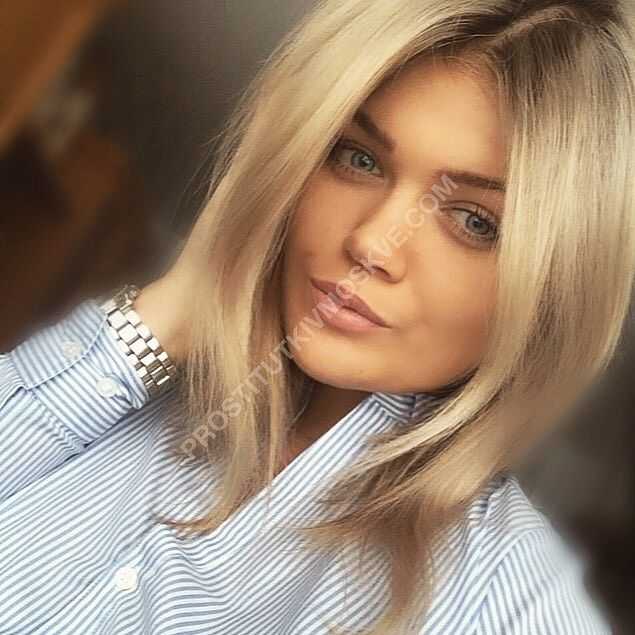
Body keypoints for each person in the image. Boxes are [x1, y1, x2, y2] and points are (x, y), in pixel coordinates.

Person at [1, 0, 633, 632]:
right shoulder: (115, 392)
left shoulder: (509, 599)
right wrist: (172, 312)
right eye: (359, 159)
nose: (372, 243)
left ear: (552, 294)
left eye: (474, 220)